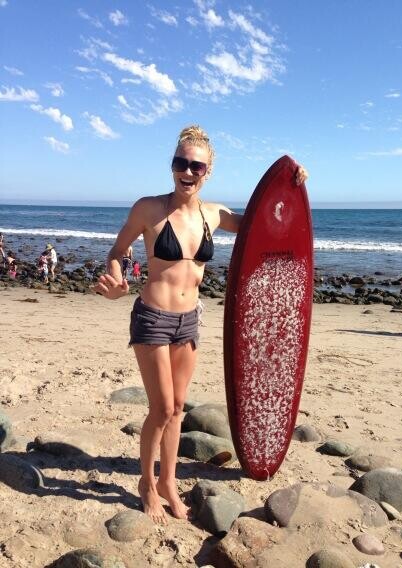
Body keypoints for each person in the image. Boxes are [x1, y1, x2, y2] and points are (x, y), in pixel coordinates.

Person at [95, 125, 308, 524]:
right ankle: (146, 483)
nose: (187, 171)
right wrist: (117, 281)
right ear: (172, 165)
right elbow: (117, 250)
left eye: (197, 166)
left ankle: (168, 482)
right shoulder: (148, 208)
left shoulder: (215, 214)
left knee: (178, 409)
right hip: (153, 317)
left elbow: (267, 222)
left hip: (190, 321)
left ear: (208, 172)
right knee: (161, 408)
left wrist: (291, 185)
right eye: (181, 163)